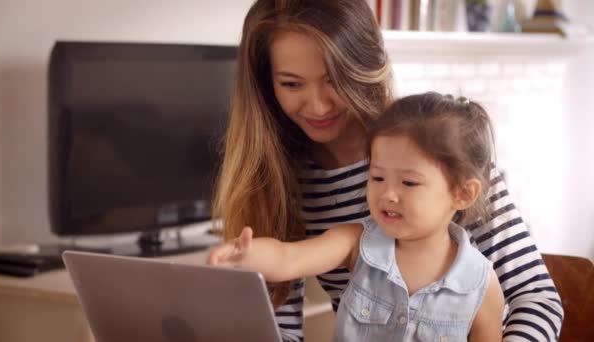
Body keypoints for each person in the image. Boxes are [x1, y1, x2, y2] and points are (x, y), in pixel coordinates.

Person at [211, 0, 563, 341]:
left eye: (333, 78)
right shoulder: (279, 179)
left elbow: (536, 299)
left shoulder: (438, 153)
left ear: (363, 66)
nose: (317, 105)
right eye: (291, 83)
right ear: (266, 85)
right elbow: (280, 323)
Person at [210, 92, 506, 341]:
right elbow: (289, 258)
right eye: (377, 178)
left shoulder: (481, 284)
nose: (387, 194)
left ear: (463, 193)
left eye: (409, 183)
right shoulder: (355, 242)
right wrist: (245, 254)